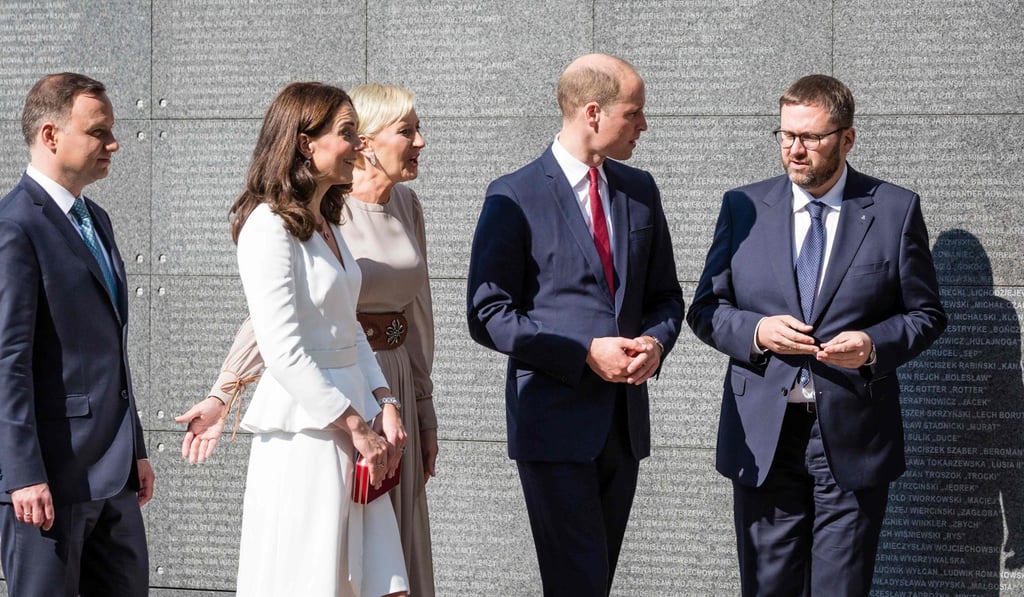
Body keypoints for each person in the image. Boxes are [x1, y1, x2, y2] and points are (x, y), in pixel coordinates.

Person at [686, 74, 947, 596]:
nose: (795, 150)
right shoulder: (743, 208)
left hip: (852, 435)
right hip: (764, 437)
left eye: (810, 137)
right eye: (785, 135)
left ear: (847, 139)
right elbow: (707, 309)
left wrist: (873, 347)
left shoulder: (894, 210)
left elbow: (925, 315)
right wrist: (758, 331)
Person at [176, 83, 437, 596]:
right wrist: (225, 391)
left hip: (358, 418)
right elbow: (281, 346)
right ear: (304, 144)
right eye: (346, 134)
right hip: (310, 430)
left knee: (382, 585)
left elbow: (348, 328)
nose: (357, 145)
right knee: (316, 580)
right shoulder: (267, 228)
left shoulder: (328, 223)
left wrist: (383, 400)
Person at [465, 54, 684, 596]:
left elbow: (666, 297)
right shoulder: (513, 194)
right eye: (634, 113)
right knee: (577, 583)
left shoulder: (640, 190)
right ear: (593, 112)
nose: (644, 125)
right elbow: (487, 313)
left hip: (623, 426)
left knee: (595, 581)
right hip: (554, 422)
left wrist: (656, 344)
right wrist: (584, 351)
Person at [0, 72, 154, 596]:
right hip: (48, 482)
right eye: (99, 131)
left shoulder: (98, 221)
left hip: (114, 477)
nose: (113, 144)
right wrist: (22, 473)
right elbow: (8, 360)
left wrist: (135, 447)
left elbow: (110, 345)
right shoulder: (15, 226)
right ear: (50, 135)